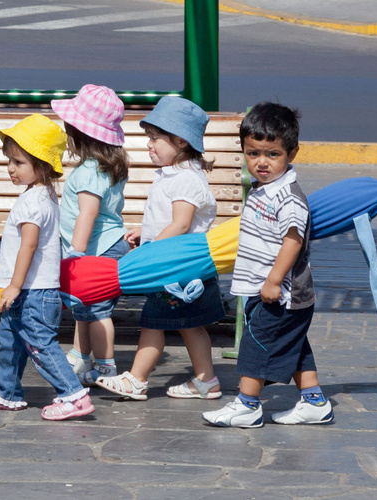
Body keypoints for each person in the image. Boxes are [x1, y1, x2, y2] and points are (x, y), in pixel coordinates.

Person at [203, 103, 332, 428]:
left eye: (272, 154)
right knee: (294, 344)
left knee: (255, 345)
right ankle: (315, 402)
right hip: (268, 290)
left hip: (282, 293)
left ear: (292, 153)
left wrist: (274, 281)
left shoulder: (287, 197)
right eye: (253, 153)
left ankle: (247, 405)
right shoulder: (264, 189)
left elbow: (293, 241)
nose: (261, 162)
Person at [95, 96, 224, 402]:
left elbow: (180, 225)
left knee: (153, 322)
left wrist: (149, 250)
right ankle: (207, 380)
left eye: (155, 139)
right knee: (191, 326)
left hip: (175, 268)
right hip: (182, 268)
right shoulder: (175, 175)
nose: (149, 145)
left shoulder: (185, 180)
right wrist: (146, 232)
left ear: (180, 141)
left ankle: (137, 380)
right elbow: (172, 221)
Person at [0, 114, 94, 421]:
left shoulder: (31, 202)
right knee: (10, 341)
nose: (11, 168)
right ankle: (7, 391)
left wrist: (13, 285)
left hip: (31, 293)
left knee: (40, 345)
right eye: (9, 161)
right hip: (33, 291)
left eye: (19, 162)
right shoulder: (46, 195)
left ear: (42, 163)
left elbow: (29, 244)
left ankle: (73, 395)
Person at [52, 84, 130, 387]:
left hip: (95, 251)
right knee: (84, 306)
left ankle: (107, 367)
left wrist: (76, 251)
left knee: (96, 311)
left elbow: (88, 212)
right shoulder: (106, 165)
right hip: (105, 247)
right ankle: (82, 356)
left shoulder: (88, 171)